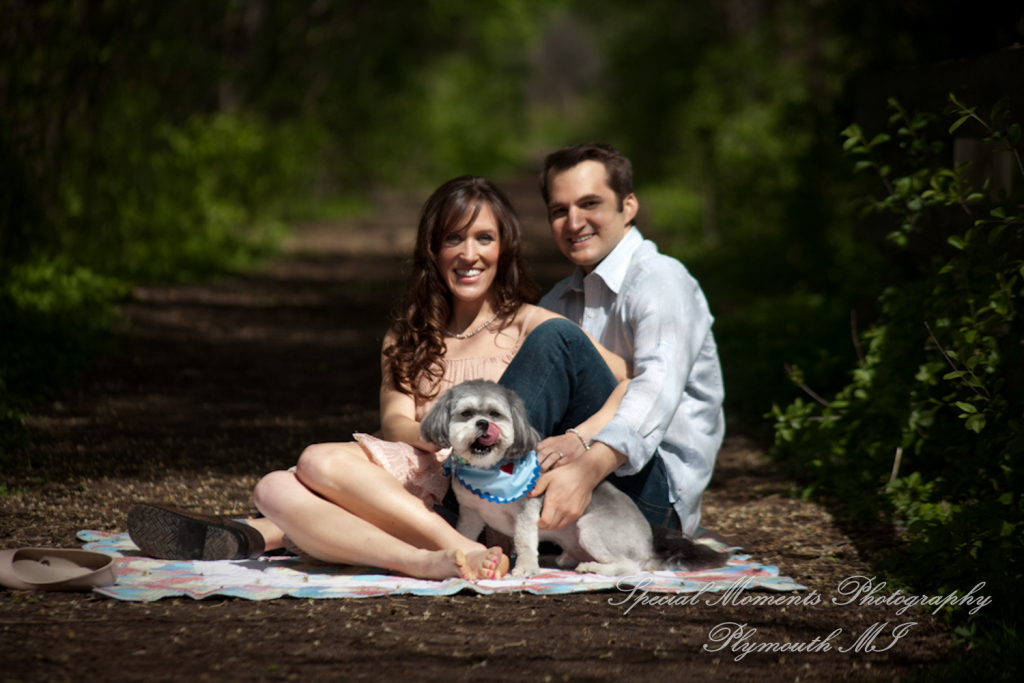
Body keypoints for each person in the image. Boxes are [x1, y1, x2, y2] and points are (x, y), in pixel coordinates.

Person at [128, 175, 629, 581]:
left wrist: (581, 439)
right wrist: (440, 440)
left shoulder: (529, 324)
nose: (469, 253)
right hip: (428, 487)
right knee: (276, 486)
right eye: (453, 238)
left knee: (304, 479)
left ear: (504, 249)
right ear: (433, 250)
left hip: (494, 494)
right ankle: (437, 558)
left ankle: (261, 536)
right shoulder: (407, 336)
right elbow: (394, 422)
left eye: (484, 238)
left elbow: (623, 380)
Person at [527, 143, 725, 538]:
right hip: (580, 477)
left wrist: (585, 468)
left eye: (590, 204)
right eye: (559, 211)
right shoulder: (558, 300)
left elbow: (656, 388)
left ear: (628, 206)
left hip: (654, 494)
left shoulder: (660, 280)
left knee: (551, 333)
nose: (573, 222)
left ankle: (471, 499)